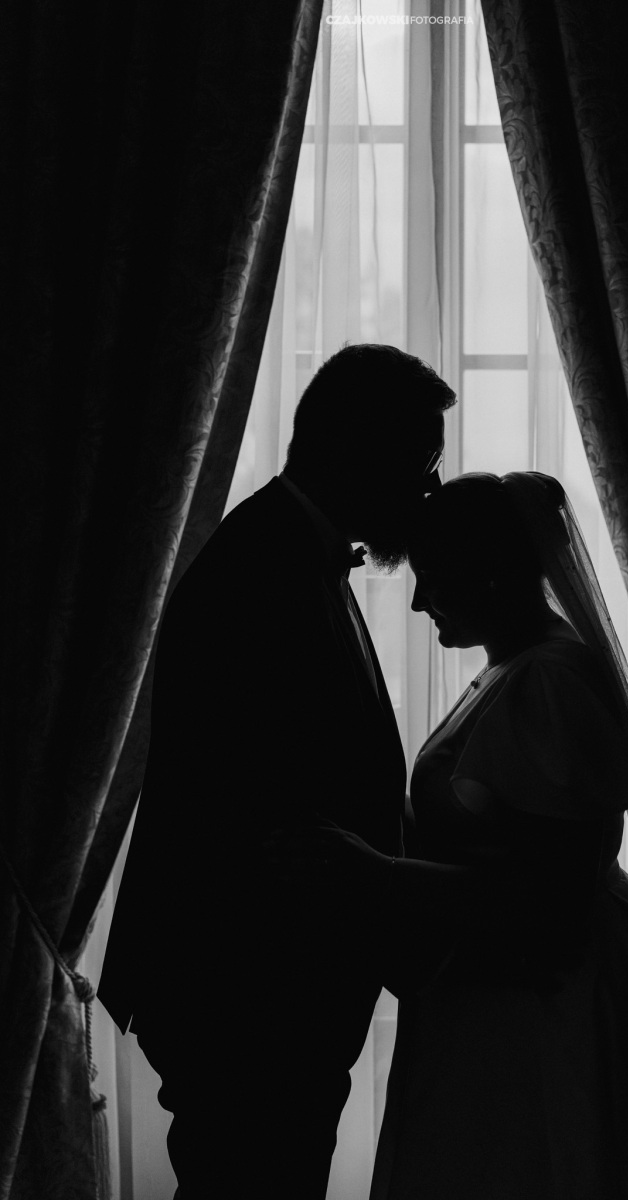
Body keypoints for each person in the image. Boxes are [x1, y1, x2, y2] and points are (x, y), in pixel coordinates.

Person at [268, 471, 628, 1199]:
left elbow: (549, 898)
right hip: (504, 985)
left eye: (433, 577)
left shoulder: (549, 681)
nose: (417, 601)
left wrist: (376, 872)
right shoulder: (515, 667)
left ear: (490, 574)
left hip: (553, 998)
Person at [98, 344, 456, 1199]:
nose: (431, 489)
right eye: (420, 464)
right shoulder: (260, 570)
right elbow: (254, 807)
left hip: (273, 995)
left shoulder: (296, 553)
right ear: (356, 451)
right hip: (250, 996)